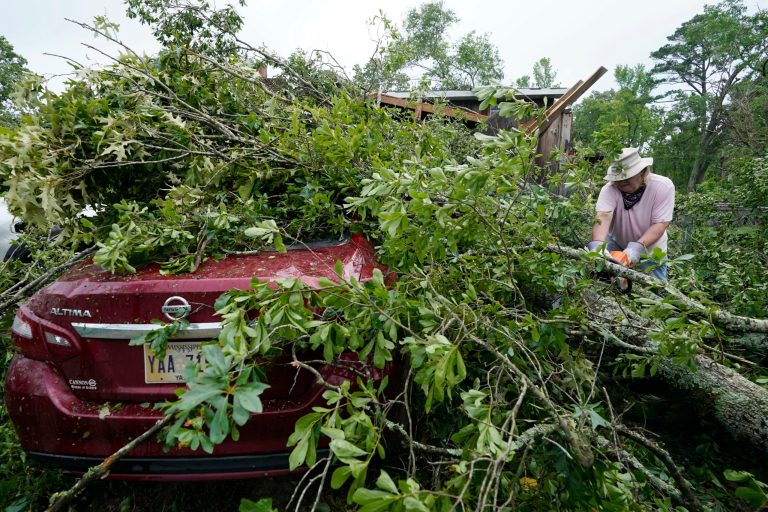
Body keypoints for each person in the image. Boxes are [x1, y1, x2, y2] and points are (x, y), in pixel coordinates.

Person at [586, 148, 675, 281]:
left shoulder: (662, 186)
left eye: (627, 177)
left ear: (642, 172)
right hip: (616, 243)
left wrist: (635, 249)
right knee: (606, 283)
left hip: (652, 250)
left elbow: (660, 224)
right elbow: (603, 217)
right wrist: (598, 246)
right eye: (619, 178)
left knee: (655, 291)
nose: (622, 182)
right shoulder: (609, 189)